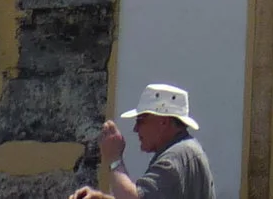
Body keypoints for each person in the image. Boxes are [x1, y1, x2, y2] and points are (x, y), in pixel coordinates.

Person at [73, 82, 215, 199]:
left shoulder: (174, 158)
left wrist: (114, 159)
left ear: (163, 122)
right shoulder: (185, 151)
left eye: (141, 120)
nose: (135, 129)